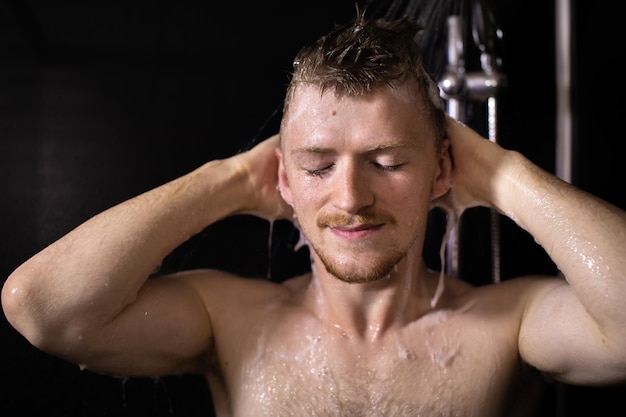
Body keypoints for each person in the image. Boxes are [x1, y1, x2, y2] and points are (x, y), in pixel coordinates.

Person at [3, 10, 626, 417]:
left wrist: (503, 174)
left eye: (386, 161)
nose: (351, 198)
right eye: (319, 165)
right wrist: (228, 181)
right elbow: (44, 307)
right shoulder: (230, 321)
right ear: (284, 177)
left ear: (442, 170)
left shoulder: (507, 325)